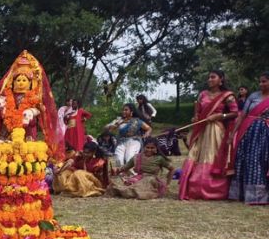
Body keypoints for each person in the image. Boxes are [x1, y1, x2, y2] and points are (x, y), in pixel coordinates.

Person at [178, 70, 238, 200]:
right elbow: (197, 112)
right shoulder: (202, 94)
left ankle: (212, 189)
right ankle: (193, 188)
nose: (209, 79)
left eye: (213, 77)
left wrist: (220, 116)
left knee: (211, 155)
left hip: (216, 130)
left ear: (221, 79)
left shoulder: (227, 95)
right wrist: (195, 118)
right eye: (208, 77)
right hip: (201, 129)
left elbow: (235, 113)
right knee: (194, 153)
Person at [228, 73, 269, 205]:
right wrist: (233, 133)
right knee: (245, 159)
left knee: (261, 160)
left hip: (265, 133)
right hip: (249, 131)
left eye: (264, 81)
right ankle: (242, 194)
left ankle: (260, 196)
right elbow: (242, 116)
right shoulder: (253, 96)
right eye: (260, 82)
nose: (261, 84)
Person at [107, 137, 173, 199]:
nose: (149, 150)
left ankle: (132, 191)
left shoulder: (159, 158)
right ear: (144, 147)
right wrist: (116, 170)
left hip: (151, 180)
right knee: (131, 183)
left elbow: (172, 169)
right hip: (138, 178)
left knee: (143, 183)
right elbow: (125, 167)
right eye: (147, 147)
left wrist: (168, 184)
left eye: (152, 148)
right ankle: (128, 190)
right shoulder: (136, 157)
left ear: (156, 148)